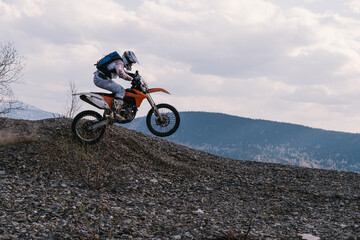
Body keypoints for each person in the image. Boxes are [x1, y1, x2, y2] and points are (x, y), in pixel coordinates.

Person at [93, 51, 139, 120]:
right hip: (101, 79)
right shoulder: (119, 62)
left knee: (117, 91)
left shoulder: (119, 62)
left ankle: (110, 110)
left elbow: (124, 72)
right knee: (121, 91)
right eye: (131, 63)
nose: (131, 65)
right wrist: (132, 79)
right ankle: (115, 112)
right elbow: (120, 73)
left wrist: (134, 75)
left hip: (100, 78)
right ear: (127, 60)